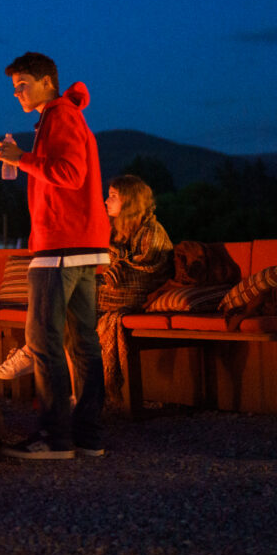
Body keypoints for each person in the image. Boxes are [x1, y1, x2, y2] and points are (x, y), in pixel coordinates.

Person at [0, 52, 110, 459]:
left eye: (23, 84)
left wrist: (20, 159)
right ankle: (88, 436)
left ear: (46, 82)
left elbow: (69, 175)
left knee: (43, 341)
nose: (18, 93)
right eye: (14, 88)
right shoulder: (67, 117)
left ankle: (55, 437)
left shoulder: (60, 116)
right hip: (83, 246)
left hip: (59, 246)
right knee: (83, 343)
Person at [96, 174, 173, 407]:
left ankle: (40, 351)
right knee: (74, 308)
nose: (106, 201)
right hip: (118, 292)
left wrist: (115, 268)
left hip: (144, 293)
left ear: (129, 201)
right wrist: (111, 268)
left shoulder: (152, 230)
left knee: (78, 297)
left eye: (113, 196)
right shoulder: (115, 233)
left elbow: (145, 270)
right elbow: (112, 263)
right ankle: (79, 388)